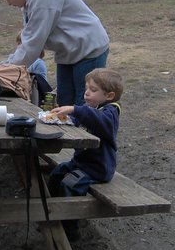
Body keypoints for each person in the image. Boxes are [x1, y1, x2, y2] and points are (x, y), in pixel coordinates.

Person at [0, 0, 109, 106]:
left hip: (88, 48)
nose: (8, 3)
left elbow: (32, 45)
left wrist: (6, 70)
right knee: (63, 102)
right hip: (68, 52)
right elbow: (28, 40)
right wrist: (6, 65)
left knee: (84, 103)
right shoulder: (29, 3)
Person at [47, 68, 123, 241]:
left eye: (93, 90)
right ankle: (53, 213)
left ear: (109, 95)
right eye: (87, 88)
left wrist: (75, 109)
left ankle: (70, 229)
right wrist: (62, 117)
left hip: (97, 168)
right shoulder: (93, 108)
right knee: (57, 174)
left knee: (70, 185)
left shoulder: (111, 112)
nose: (87, 92)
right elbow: (78, 120)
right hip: (80, 162)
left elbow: (98, 120)